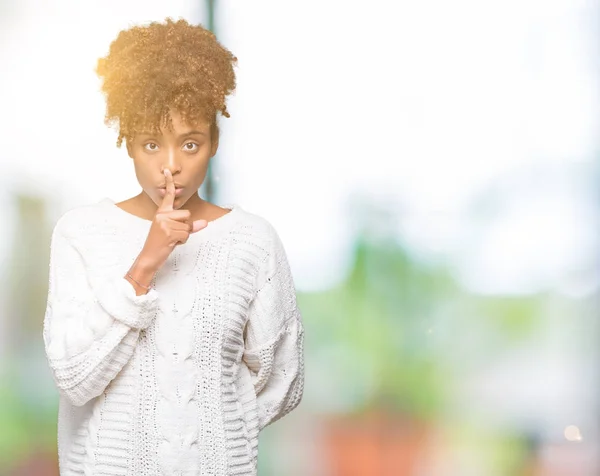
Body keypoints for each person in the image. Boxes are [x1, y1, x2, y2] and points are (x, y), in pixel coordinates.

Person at [42, 18, 305, 476]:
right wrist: (145, 264)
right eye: (150, 144)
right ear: (127, 144)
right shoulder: (80, 233)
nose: (170, 168)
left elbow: (281, 377)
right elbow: (73, 377)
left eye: (189, 143)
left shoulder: (252, 242)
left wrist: (212, 436)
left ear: (214, 142)